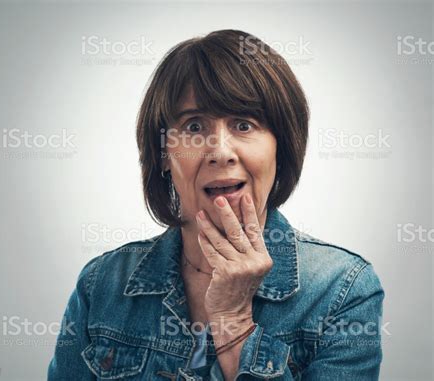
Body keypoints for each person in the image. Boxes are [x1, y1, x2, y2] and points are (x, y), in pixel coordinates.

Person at [48, 29, 384, 381]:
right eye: (194, 126)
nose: (221, 152)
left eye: (243, 124)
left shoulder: (343, 289)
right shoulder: (101, 284)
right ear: (164, 154)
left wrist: (234, 321)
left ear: (279, 148)